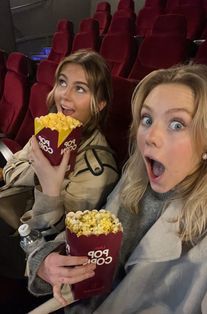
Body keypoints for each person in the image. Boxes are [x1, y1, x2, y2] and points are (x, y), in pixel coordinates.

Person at [27, 63, 207, 314]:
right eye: (147, 119)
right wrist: (45, 261)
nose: (150, 136)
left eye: (177, 124)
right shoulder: (134, 178)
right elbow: (84, 244)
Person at [0, 49, 119, 278]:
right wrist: (38, 173)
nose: (64, 96)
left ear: (100, 103)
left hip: (32, 251)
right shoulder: (50, 129)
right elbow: (10, 169)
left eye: (80, 88)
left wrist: (50, 188)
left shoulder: (98, 170)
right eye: (62, 83)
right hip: (9, 209)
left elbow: (59, 245)